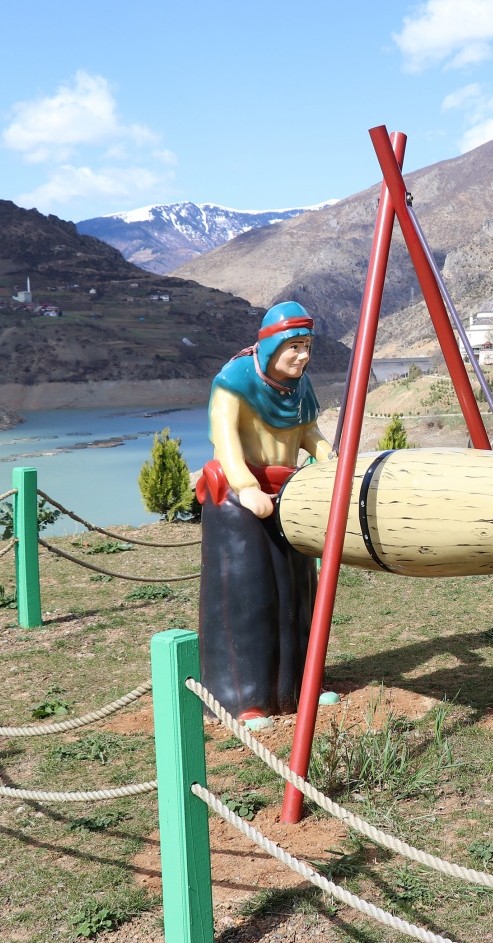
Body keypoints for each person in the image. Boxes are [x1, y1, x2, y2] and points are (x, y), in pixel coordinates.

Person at [196, 301, 333, 724]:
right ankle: (242, 698)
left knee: (298, 594)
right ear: (273, 344)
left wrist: (329, 458)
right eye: (295, 347)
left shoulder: (299, 386)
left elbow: (307, 430)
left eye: (307, 346)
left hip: (291, 493)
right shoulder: (233, 380)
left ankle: (297, 688)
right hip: (240, 502)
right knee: (249, 599)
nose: (303, 356)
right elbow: (225, 439)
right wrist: (246, 487)